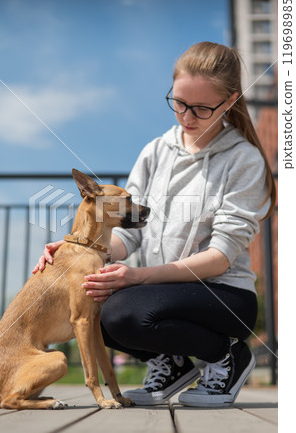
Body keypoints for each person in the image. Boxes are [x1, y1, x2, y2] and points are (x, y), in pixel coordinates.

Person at [33, 42, 276, 408]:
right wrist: (77, 252)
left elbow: (219, 258)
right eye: (178, 102)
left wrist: (136, 277)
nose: (185, 116)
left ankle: (226, 356)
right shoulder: (155, 151)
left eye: (201, 107)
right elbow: (128, 233)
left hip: (222, 295)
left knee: (122, 312)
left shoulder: (244, 160)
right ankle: (171, 362)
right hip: (160, 290)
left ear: (229, 102)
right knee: (87, 297)